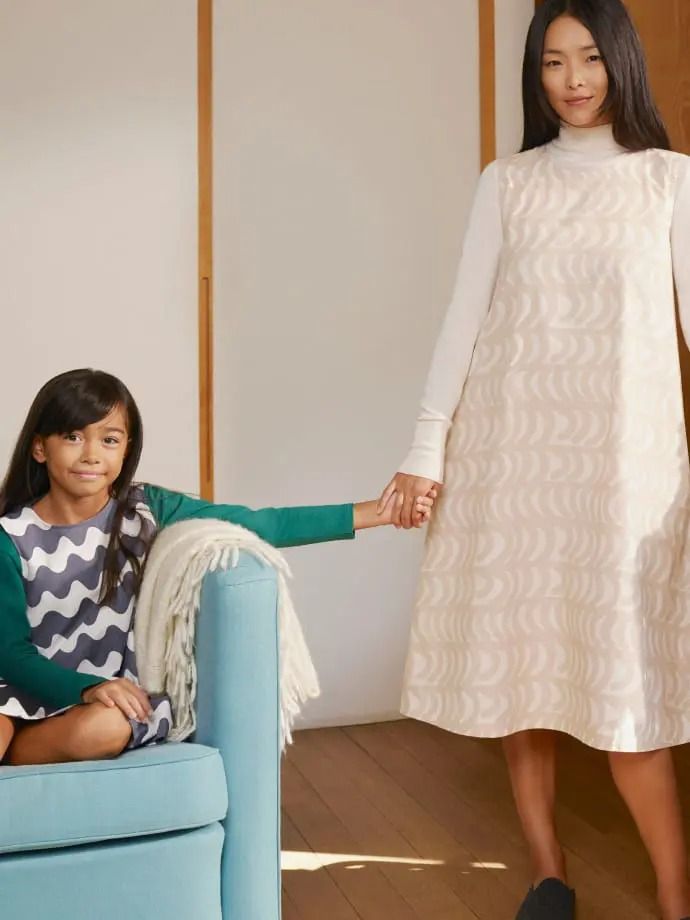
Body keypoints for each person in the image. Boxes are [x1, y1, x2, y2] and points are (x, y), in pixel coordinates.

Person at [378, 1, 690, 917]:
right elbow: (464, 319)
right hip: (510, 458)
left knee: (628, 689)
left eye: (589, 57)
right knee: (524, 675)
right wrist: (426, 447)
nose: (574, 79)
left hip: (623, 467)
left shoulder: (669, 180)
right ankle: (549, 874)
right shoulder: (508, 182)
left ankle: (676, 894)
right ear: (536, 74)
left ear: (620, 60)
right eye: (553, 62)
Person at [0, 367, 436, 768]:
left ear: (127, 448)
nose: (92, 454)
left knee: (106, 728)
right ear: (40, 447)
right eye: (73, 437)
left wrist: (376, 513)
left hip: (106, 703)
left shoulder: (146, 509)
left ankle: (18, 756)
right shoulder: (11, 536)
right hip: (23, 689)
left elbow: (261, 523)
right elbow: (11, 655)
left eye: (109, 440)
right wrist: (83, 686)